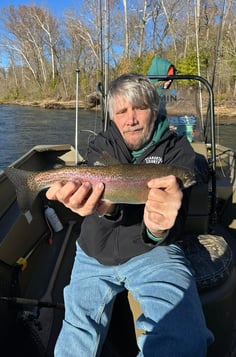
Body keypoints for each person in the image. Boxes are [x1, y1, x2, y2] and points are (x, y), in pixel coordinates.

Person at [46, 73, 214, 356]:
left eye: (140, 108)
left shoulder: (178, 150)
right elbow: (100, 202)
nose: (131, 119)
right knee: (76, 334)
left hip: (154, 251)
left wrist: (157, 230)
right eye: (122, 111)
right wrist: (106, 208)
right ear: (113, 117)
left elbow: (177, 218)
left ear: (155, 109)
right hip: (94, 248)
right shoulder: (100, 144)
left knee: (185, 339)